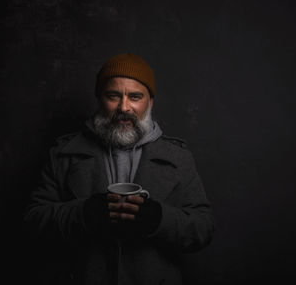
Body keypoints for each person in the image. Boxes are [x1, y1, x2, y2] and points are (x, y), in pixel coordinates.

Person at [24, 53, 214, 285]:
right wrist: (84, 213)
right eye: (113, 96)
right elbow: (34, 221)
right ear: (99, 98)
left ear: (150, 101)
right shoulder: (64, 153)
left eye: (135, 97)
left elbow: (203, 228)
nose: (124, 107)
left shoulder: (178, 157)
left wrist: (158, 219)